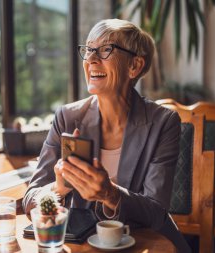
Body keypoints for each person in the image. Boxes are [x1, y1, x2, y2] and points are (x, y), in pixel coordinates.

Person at [22, 19, 190, 252]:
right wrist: (59, 189)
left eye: (105, 50)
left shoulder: (163, 122)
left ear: (135, 66)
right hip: (85, 245)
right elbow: (30, 199)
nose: (91, 59)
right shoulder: (66, 117)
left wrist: (110, 194)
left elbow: (156, 213)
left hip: (147, 244)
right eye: (89, 50)